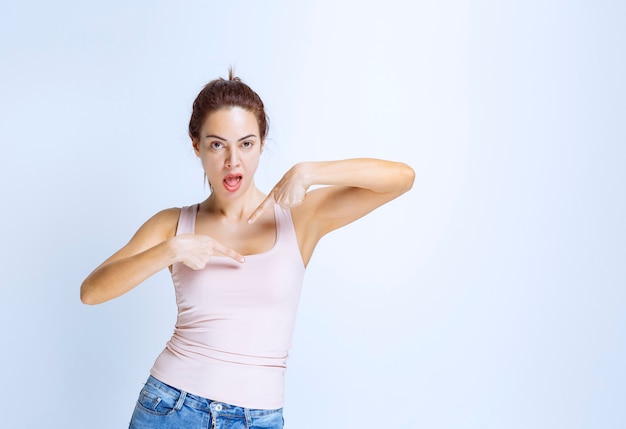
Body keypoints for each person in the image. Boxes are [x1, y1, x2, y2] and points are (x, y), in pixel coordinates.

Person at [80, 69, 415, 429]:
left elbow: (402, 178)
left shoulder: (299, 219)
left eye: (245, 143)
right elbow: (91, 291)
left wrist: (310, 172)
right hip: (171, 407)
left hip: (258, 417)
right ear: (197, 146)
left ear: (261, 143)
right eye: (217, 144)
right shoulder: (173, 224)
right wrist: (170, 250)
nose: (232, 161)